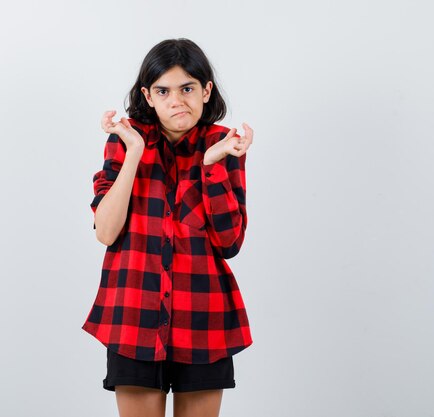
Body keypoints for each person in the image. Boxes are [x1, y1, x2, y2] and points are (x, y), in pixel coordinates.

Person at [82, 38, 255, 417]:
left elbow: (229, 242)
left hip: (203, 316)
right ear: (148, 94)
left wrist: (211, 166)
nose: (177, 101)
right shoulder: (125, 139)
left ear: (206, 90)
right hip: (133, 313)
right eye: (164, 90)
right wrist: (133, 155)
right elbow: (106, 232)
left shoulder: (225, 145)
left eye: (188, 88)